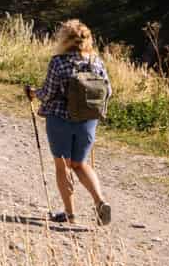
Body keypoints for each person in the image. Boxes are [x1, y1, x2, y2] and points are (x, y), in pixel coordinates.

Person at [28, 19, 112, 226]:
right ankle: (100, 201)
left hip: (60, 119)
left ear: (64, 39)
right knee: (80, 164)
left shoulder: (58, 62)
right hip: (88, 121)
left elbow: (48, 94)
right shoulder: (96, 61)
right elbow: (108, 91)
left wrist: (33, 94)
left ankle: (70, 214)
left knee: (62, 166)